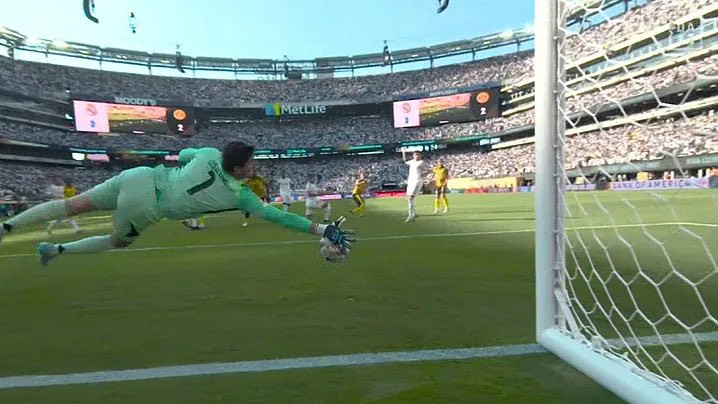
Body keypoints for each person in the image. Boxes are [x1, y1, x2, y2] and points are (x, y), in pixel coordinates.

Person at [0, 142, 354, 266]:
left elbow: (183, 153)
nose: (253, 167)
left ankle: (7, 226)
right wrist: (321, 228)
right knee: (116, 242)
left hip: (140, 176)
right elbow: (278, 217)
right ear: (237, 169)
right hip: (147, 206)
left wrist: (194, 161)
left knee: (73, 206)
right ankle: (55, 249)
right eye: (249, 164)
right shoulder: (241, 195)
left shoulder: (209, 153)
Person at [402, 150, 425, 222]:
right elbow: (405, 161)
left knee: (411, 197)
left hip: (417, 181)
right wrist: (403, 152)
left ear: (420, 156)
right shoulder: (411, 162)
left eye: (418, 155)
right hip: (410, 181)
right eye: (415, 155)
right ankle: (413, 213)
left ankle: (411, 216)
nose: (416, 156)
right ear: (413, 156)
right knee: (410, 198)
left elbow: (423, 171)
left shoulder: (421, 162)